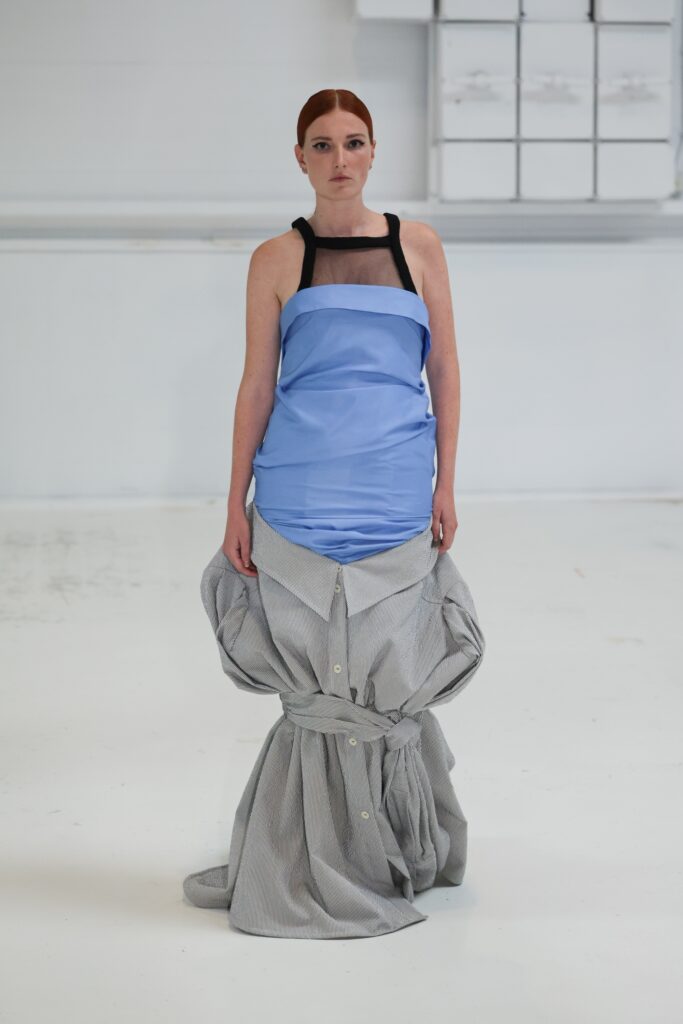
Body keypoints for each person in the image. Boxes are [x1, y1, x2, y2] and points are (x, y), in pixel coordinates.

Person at [183, 89, 486, 939]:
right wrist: (233, 500)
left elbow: (444, 369)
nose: (339, 159)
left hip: (395, 482)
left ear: (373, 151)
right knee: (318, 670)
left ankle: (392, 846)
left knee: (389, 660)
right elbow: (257, 383)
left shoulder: (417, 245)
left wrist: (446, 482)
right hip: (299, 487)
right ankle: (309, 857)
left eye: (354, 143)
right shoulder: (276, 257)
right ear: (300, 158)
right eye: (322, 145)